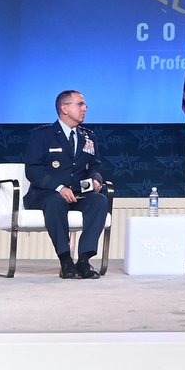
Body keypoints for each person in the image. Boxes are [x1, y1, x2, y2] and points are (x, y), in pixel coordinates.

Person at [23, 89, 108, 279]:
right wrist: (59, 187)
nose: (85, 108)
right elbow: (33, 170)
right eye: (80, 104)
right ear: (65, 108)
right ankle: (65, 260)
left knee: (99, 201)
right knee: (55, 201)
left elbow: (95, 166)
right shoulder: (42, 135)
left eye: (84, 105)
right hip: (46, 194)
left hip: (77, 193)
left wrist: (96, 179)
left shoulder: (89, 137)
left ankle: (84, 260)